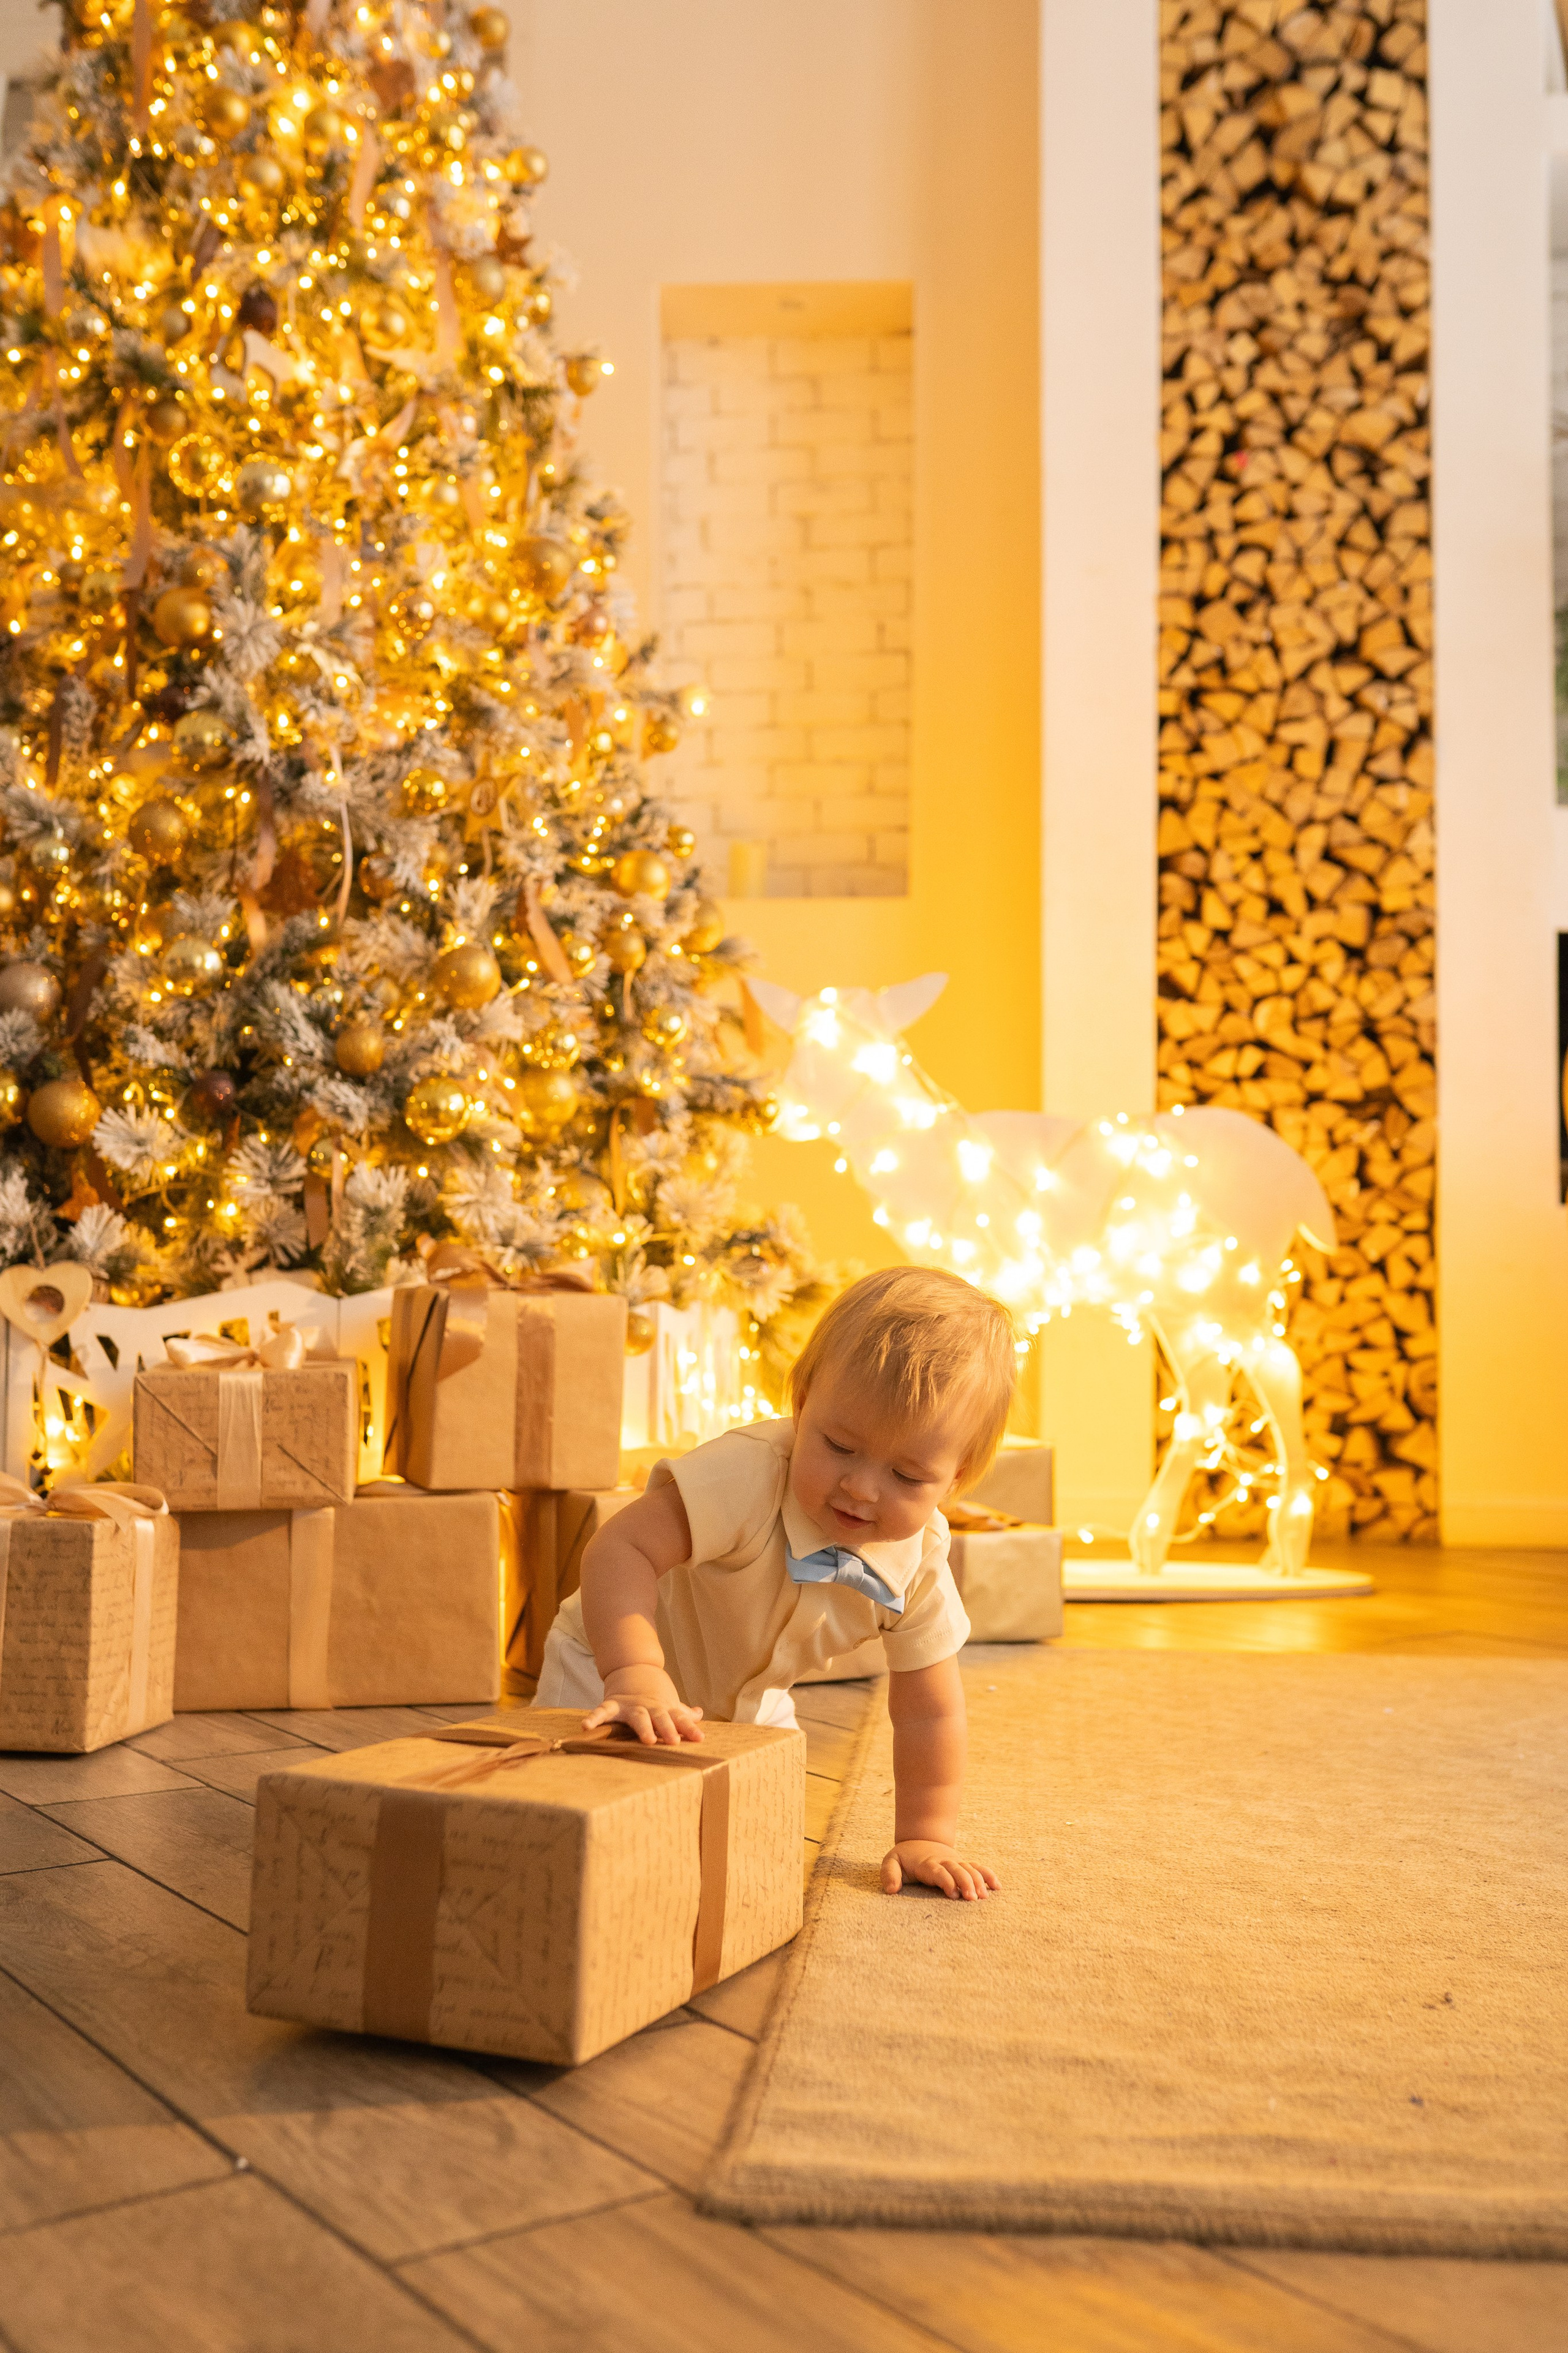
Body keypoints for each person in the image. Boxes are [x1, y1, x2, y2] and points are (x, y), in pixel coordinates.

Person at [534, 1264, 1013, 1901]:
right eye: (838, 1445)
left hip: (754, 1704)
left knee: (751, 1855)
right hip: (608, 1666)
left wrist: (927, 1835)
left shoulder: (920, 1559)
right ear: (802, 1402)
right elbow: (620, 1549)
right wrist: (635, 1671)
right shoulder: (745, 1473)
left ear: (956, 1478)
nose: (861, 1488)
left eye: (906, 1476)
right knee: (578, 1829)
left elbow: (930, 1711)